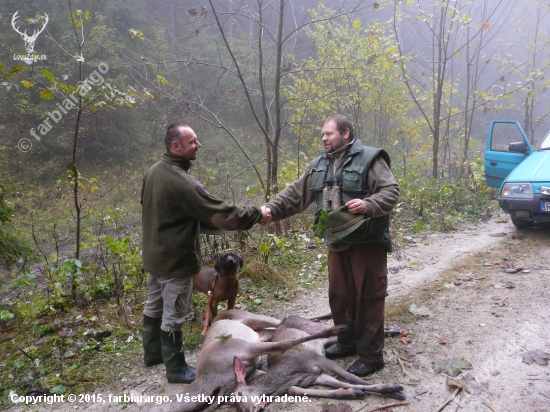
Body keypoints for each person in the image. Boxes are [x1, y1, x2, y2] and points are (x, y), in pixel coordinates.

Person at [261, 114, 399, 376]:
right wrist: (269, 209)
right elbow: (294, 196)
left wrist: (369, 205)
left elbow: (391, 191)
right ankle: (347, 342)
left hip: (368, 242)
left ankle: (371, 356)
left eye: (329, 134)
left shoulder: (371, 158)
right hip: (337, 242)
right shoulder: (318, 165)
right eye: (323, 134)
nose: (323, 138)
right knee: (340, 296)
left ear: (345, 133)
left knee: (369, 297)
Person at [141, 123, 269, 384]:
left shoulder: (153, 171)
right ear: (176, 146)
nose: (198, 145)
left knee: (154, 306)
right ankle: (176, 369)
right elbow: (222, 213)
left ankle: (153, 354)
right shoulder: (183, 182)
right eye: (192, 142)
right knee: (174, 315)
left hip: (154, 258)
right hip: (175, 261)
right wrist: (257, 214)